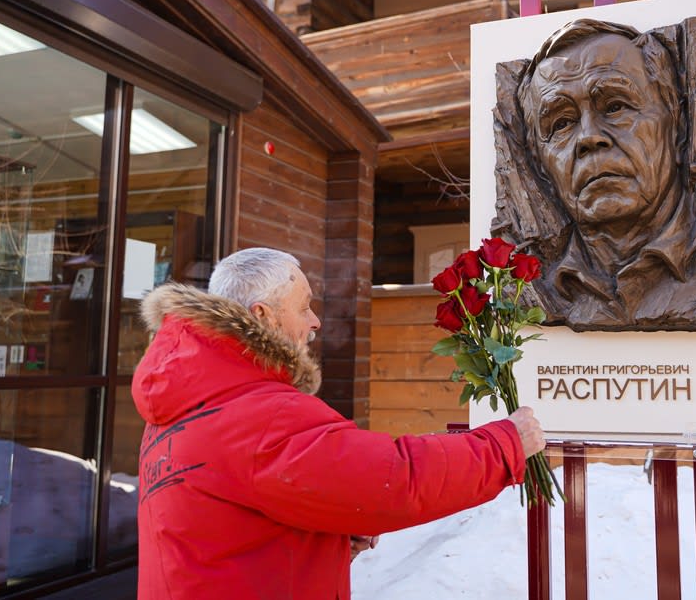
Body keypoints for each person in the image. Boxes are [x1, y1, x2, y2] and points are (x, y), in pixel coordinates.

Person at [132, 247, 545, 599]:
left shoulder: (184, 400)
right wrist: (504, 444)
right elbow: (395, 478)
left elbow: (226, 527)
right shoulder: (261, 415)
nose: (314, 321)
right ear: (263, 315)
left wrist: (324, 541)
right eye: (303, 307)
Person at [493, 17, 696, 332]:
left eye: (615, 106)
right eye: (562, 123)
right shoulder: (542, 289)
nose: (589, 137)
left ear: (677, 127)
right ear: (541, 166)